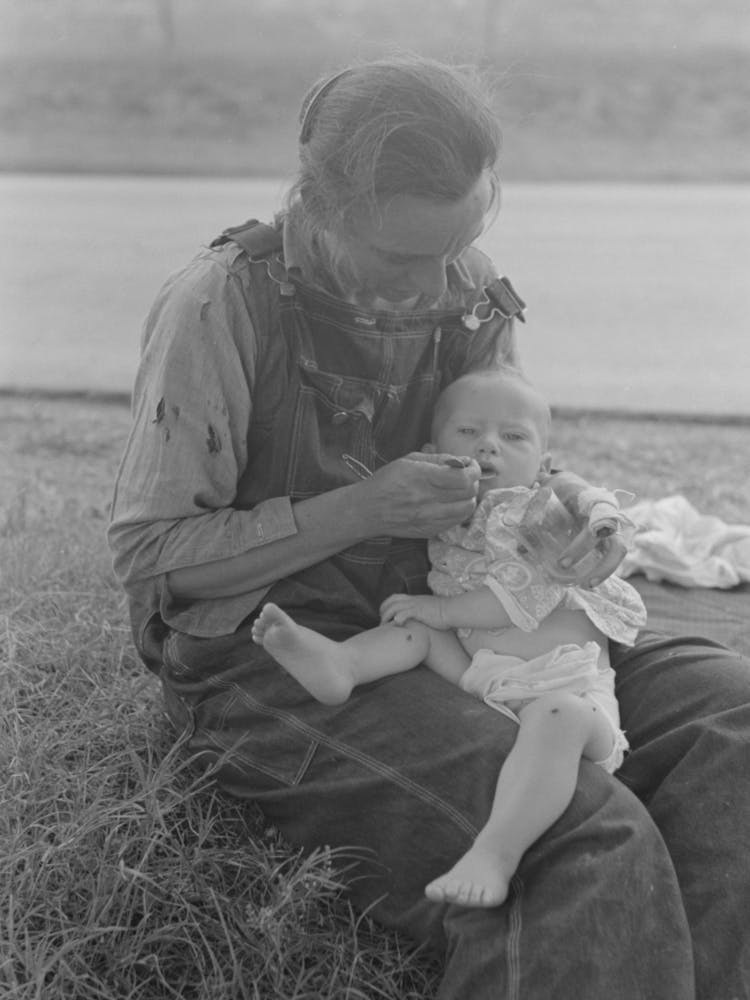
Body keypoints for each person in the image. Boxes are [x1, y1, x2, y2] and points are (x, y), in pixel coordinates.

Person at [108, 56, 750, 1000]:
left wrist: (575, 514)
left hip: (484, 626)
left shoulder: (471, 285)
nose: (440, 283)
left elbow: (518, 453)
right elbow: (154, 564)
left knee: (733, 720)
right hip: (284, 656)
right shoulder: (218, 305)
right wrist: (361, 511)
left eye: (461, 244)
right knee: (574, 835)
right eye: (405, 259)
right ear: (318, 204)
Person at [252, 367, 648, 908]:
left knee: (557, 717)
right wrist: (429, 616)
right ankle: (341, 665)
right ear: (432, 451)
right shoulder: (449, 515)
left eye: (513, 437)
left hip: (571, 692)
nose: (489, 446)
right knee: (409, 631)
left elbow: (517, 596)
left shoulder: (543, 513)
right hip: (479, 675)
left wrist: (599, 509)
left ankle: (496, 854)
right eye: (469, 433)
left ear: (543, 463)